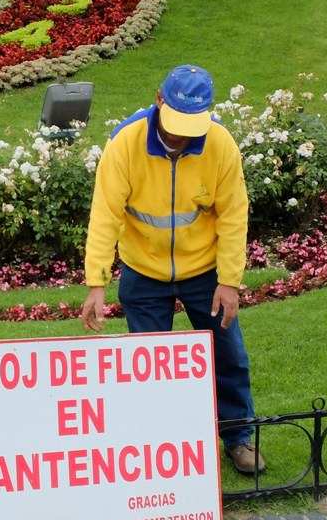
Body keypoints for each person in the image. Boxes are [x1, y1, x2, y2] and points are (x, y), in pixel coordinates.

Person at [80, 64, 265, 475]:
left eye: (192, 125)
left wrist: (229, 281)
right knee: (148, 366)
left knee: (228, 354)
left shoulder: (220, 145)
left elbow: (234, 216)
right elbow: (105, 214)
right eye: (177, 122)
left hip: (204, 271)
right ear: (159, 99)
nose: (183, 134)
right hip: (142, 272)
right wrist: (97, 283)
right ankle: (156, 445)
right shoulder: (125, 143)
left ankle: (238, 438)